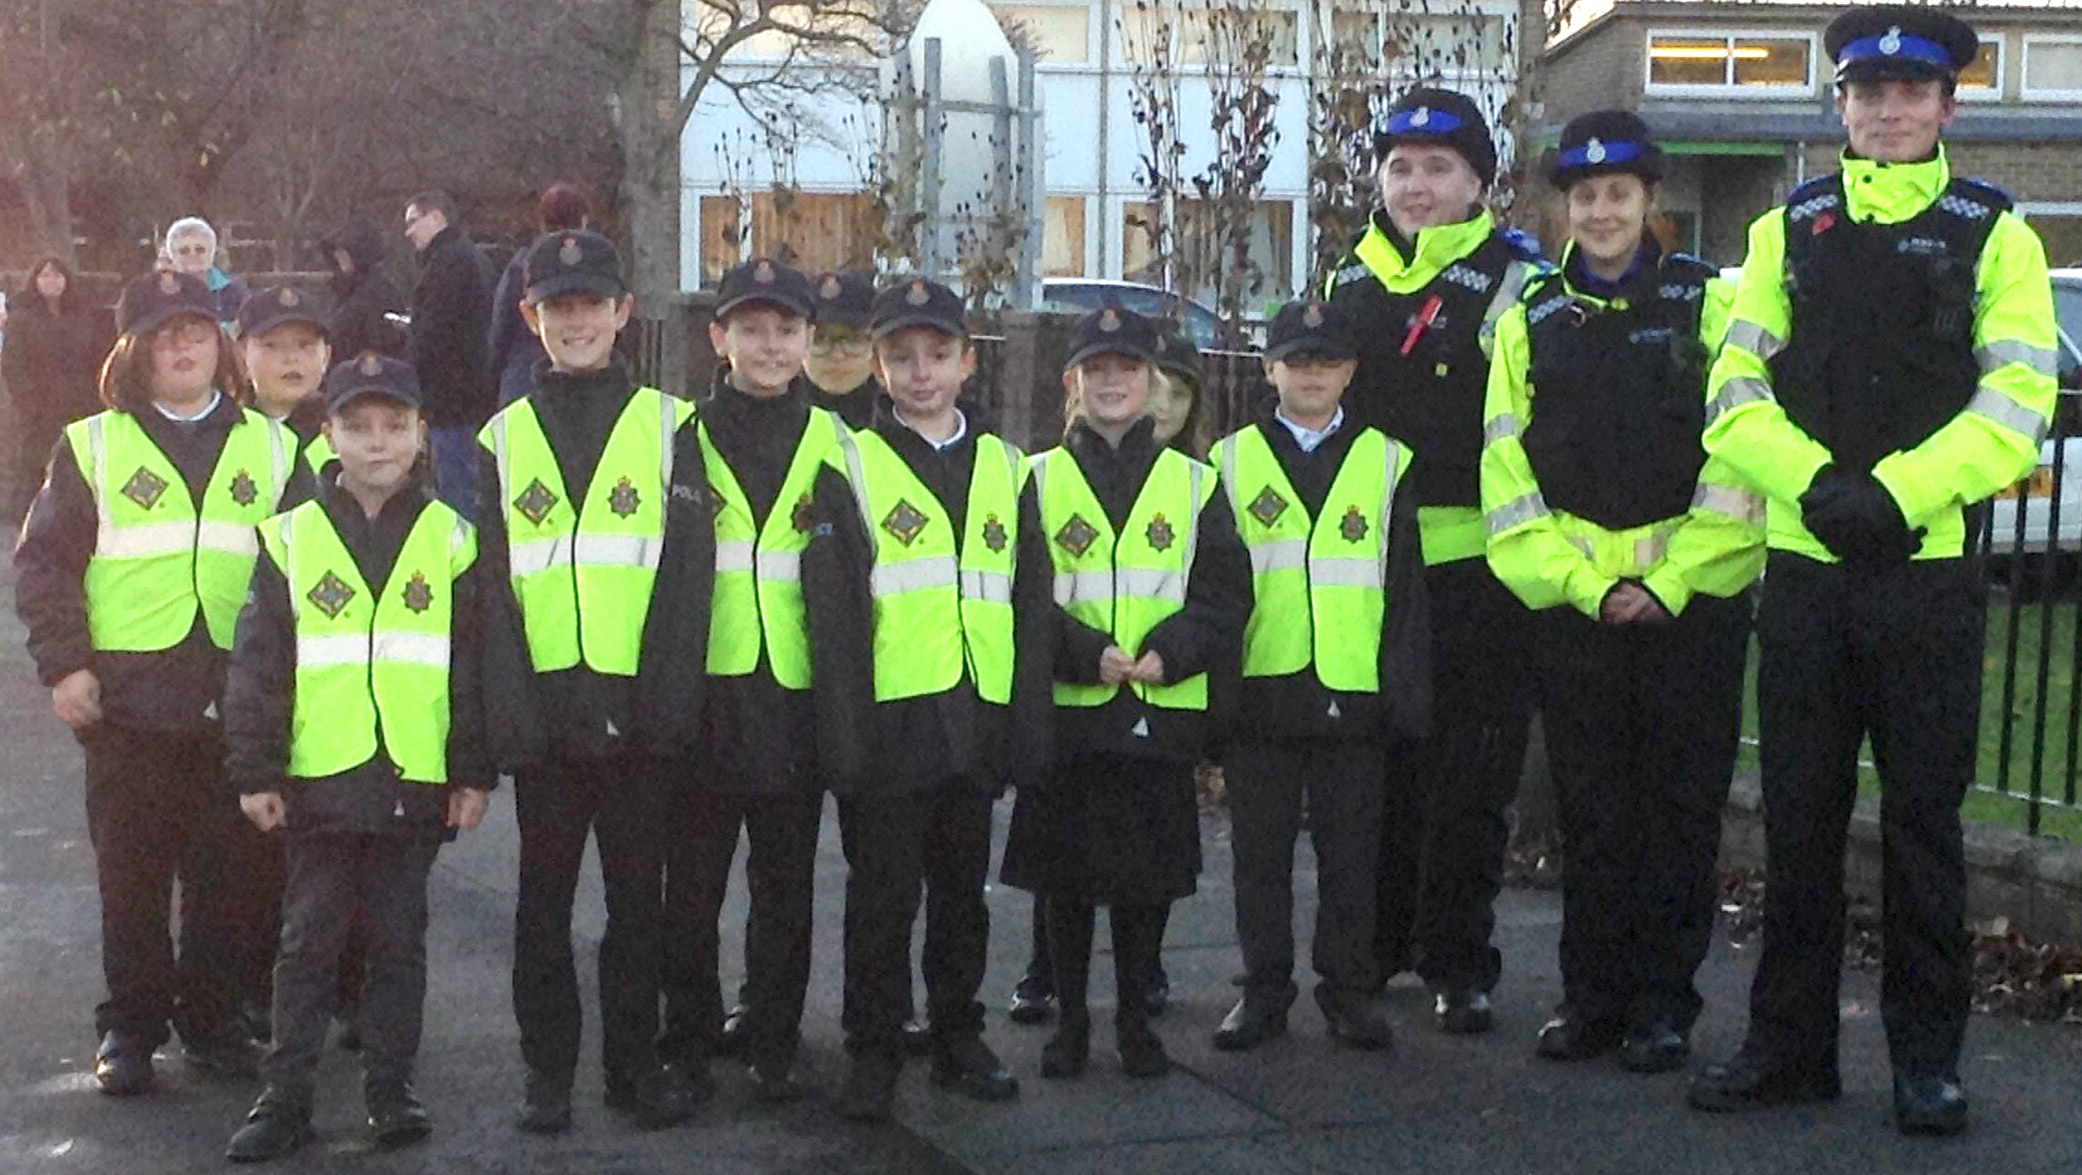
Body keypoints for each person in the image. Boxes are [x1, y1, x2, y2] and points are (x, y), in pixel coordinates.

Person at [1686, 6, 2056, 1136]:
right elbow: (1734, 392)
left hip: (1926, 571)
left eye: (1911, 92)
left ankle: (1927, 1060)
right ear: (1838, 103)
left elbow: (2018, 402)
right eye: (1866, 91)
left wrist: (1893, 491)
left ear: (1949, 105)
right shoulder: (1783, 230)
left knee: (1925, 829)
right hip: (1805, 570)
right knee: (1799, 819)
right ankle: (1788, 1045)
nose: (1887, 109)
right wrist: (1817, 487)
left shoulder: (1998, 229)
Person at [1480, 111, 1763, 1073]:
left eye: (1620, 195)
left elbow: (1740, 467)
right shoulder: (1526, 322)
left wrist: (1671, 583)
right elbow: (1506, 480)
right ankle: (1589, 997)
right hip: (1577, 612)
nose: (1601, 212)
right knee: (1590, 811)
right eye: (1585, 196)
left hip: (1694, 608)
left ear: (1650, 202)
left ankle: (1663, 1006)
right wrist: (1587, 587)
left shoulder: (1710, 305)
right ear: (1565, 207)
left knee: (1679, 812)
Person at [13, 269, 310, 1096]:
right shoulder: (91, 445)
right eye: (164, 331)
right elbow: (44, 566)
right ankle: (133, 1026)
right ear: (133, 351)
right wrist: (64, 664)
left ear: (220, 344)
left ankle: (214, 1022)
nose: (182, 342)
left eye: (197, 327)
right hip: (128, 703)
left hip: (238, 704)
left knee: (232, 882)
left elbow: (315, 573)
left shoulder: (278, 448)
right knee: (132, 879)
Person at [220, 353, 492, 1161]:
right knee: (307, 944)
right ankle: (286, 1095)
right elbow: (259, 665)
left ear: (419, 435)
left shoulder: (453, 540)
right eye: (358, 426)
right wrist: (256, 769)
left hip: (414, 778)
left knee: (398, 943)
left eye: (394, 426)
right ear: (329, 435)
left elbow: (474, 667)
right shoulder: (289, 537)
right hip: (321, 780)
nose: (377, 444)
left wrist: (473, 771)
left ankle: (390, 1088)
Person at [1325, 86, 1549, 1035]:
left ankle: (1459, 957)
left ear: (1480, 184)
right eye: (1401, 168)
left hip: (1481, 570)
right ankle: (1376, 945)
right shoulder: (1351, 285)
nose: (1417, 187)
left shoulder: (1519, 282)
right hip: (1372, 568)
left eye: (1439, 169)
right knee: (1380, 767)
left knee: (1470, 774)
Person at [479, 229, 706, 1133]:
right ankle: (548, 1070)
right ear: (533, 318)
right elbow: (493, 593)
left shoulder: (667, 425)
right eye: (557, 307)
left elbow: (687, 579)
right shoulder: (503, 437)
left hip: (639, 720)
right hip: (547, 719)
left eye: (592, 305)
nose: (576, 322)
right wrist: (514, 715)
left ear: (623, 313)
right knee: (541, 906)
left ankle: (632, 1064)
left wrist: (662, 705)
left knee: (635, 907)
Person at [806, 277, 1042, 1120]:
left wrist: (1024, 725)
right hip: (890, 721)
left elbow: (1027, 601)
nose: (921, 373)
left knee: (960, 894)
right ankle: (873, 1048)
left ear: (968, 361)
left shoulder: (1010, 470)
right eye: (901, 357)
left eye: (938, 355)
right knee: (881, 898)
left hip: (974, 716)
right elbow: (833, 617)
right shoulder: (850, 467)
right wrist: (843, 733)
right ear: (876, 367)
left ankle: (956, 1033)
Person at [1000, 306, 1249, 1081]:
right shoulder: (1033, 479)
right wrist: (1081, 653)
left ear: (1151, 383)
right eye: (1096, 369)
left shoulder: (1196, 484)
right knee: (1066, 882)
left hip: (1156, 708)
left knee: (1148, 883)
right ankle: (1071, 1024)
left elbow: (1223, 594)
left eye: (1128, 370)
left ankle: (1137, 1020)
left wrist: (1170, 651)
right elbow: (1018, 595)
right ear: (1072, 381)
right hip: (1073, 710)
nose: (1112, 382)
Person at [1210, 298, 1429, 1054]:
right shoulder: (1228, 460)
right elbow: (1214, 587)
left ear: (1351, 371)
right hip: (1261, 687)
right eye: (1296, 359)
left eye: (1326, 361)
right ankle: (1263, 992)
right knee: (1258, 858)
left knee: (1352, 857)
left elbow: (1405, 591)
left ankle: (1349, 990)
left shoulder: (1388, 460)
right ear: (1269, 367)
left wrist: (1405, 692)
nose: (1311, 374)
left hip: (1352, 687)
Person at [654, 259, 834, 1105]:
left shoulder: (842, 446)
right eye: (752, 329)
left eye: (787, 330)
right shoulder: (676, 441)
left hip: (793, 690)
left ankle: (771, 1034)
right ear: (718, 338)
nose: (770, 345)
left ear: (807, 341)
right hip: (705, 686)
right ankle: (686, 1039)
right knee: (691, 882)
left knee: (785, 880)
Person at [404, 190, 494, 516]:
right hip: (468, 394)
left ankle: (462, 557)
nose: (408, 232)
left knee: (457, 491)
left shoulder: (448, 263)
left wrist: (417, 377)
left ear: (437, 218)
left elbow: (435, 331)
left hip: (451, 398)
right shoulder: (470, 257)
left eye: (414, 221)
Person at [3, 256, 109, 521]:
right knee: (37, 466)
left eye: (57, 275)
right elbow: (13, 364)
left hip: (80, 403)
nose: (52, 281)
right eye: (45, 276)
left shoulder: (83, 315)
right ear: (35, 280)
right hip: (40, 407)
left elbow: (96, 357)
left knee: (79, 464)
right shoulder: (22, 318)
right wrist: (30, 402)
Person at [489, 184, 591, 409]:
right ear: (583, 219)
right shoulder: (596, 268)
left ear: (542, 221)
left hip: (523, 380)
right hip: (582, 384)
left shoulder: (522, 266)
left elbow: (501, 327)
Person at [319, 215, 406, 362]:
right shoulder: (339, 291)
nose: (339, 256)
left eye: (345, 250)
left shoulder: (381, 293)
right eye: (336, 251)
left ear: (359, 252)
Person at [804, 270, 882, 428]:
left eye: (853, 340)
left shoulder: (902, 419)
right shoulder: (771, 417)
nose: (837, 355)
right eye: (819, 339)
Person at [164, 217, 249, 331]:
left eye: (200, 249)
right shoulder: (162, 294)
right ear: (172, 256)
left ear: (211, 253)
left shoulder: (234, 290)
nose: (192, 255)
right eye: (184, 251)